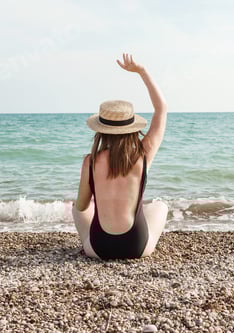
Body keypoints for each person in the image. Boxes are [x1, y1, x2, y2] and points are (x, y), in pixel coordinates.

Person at [72, 53, 168, 260]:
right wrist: (142, 71)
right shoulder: (143, 155)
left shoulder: (90, 162)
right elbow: (162, 109)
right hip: (137, 248)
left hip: (99, 250)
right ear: (132, 128)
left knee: (77, 210)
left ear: (101, 130)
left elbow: (81, 205)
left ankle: (90, 242)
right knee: (160, 206)